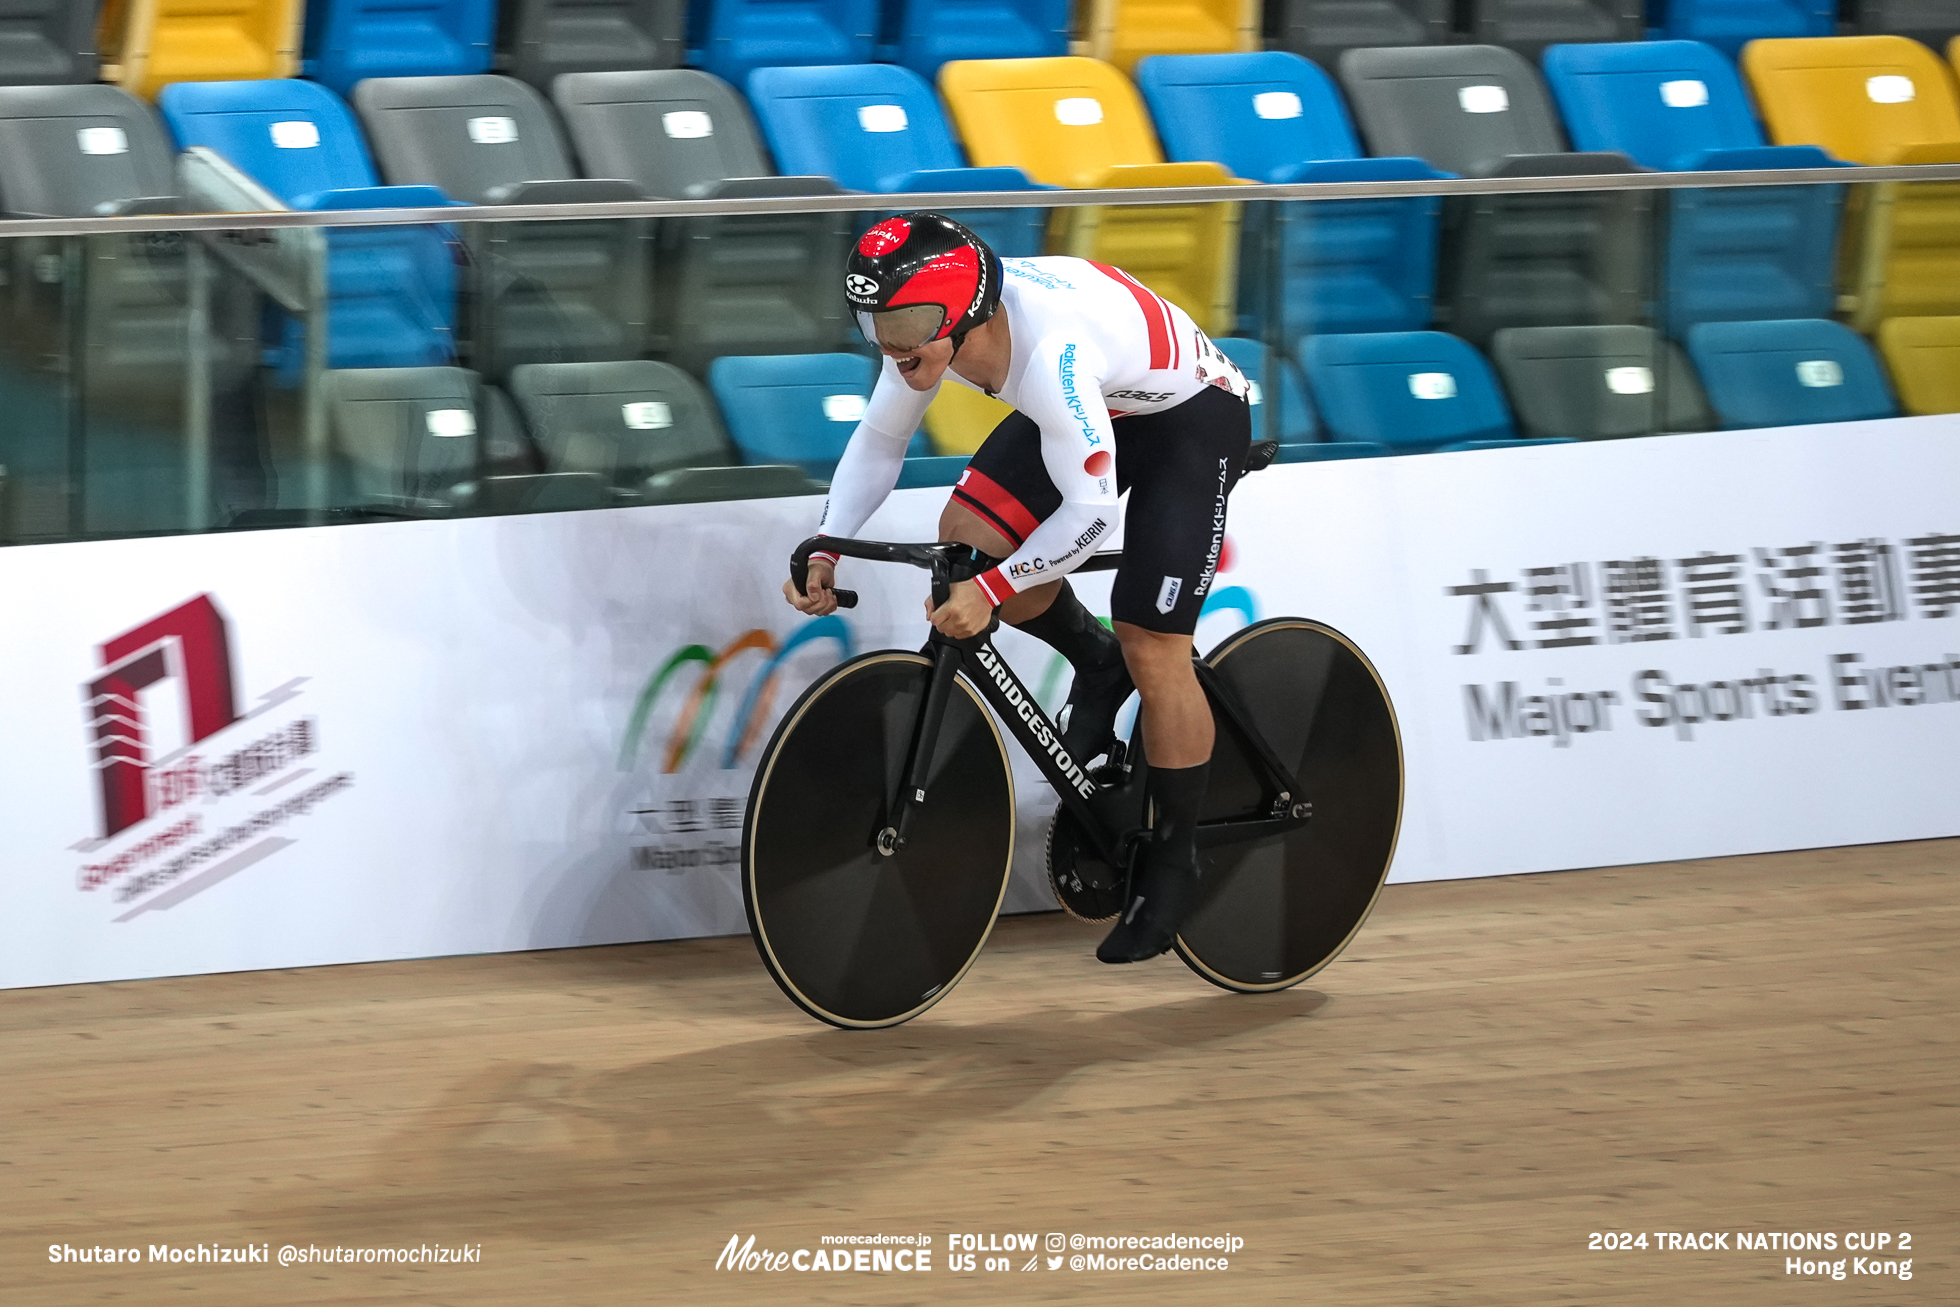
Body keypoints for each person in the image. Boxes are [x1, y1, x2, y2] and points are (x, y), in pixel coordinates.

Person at [783, 212, 1252, 964]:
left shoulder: (1049, 354)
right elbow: (879, 441)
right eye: (877, 321)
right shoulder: (925, 341)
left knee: (1153, 642)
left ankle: (1173, 860)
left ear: (966, 315)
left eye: (906, 323)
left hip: (1186, 417)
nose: (892, 345)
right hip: (1099, 404)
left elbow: (1090, 513)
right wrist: (828, 545)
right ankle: (1094, 663)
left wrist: (997, 590)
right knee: (967, 540)